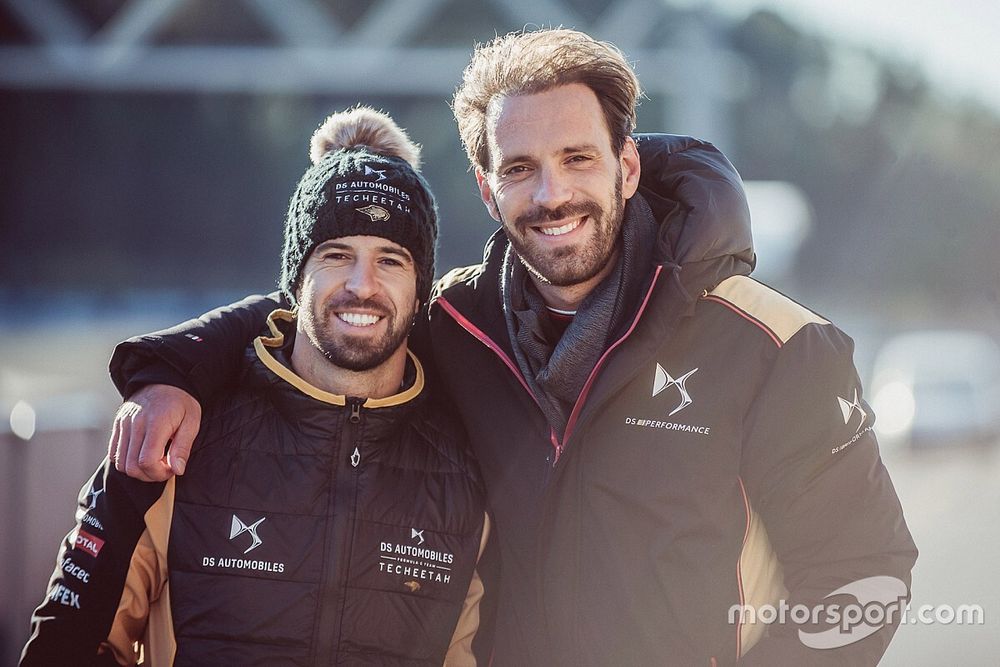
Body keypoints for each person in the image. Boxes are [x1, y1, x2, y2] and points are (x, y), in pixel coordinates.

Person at [100, 29, 916, 666]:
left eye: (577, 159)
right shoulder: (453, 324)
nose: (552, 193)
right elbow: (327, 313)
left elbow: (865, 577)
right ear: (487, 188)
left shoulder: (776, 346)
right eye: (520, 168)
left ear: (627, 166)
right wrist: (168, 372)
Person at [21, 108, 490, 666]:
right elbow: (69, 646)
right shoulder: (178, 438)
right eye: (336, 255)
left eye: (391, 260)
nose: (362, 285)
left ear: (420, 291)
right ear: (296, 276)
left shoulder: (465, 469)